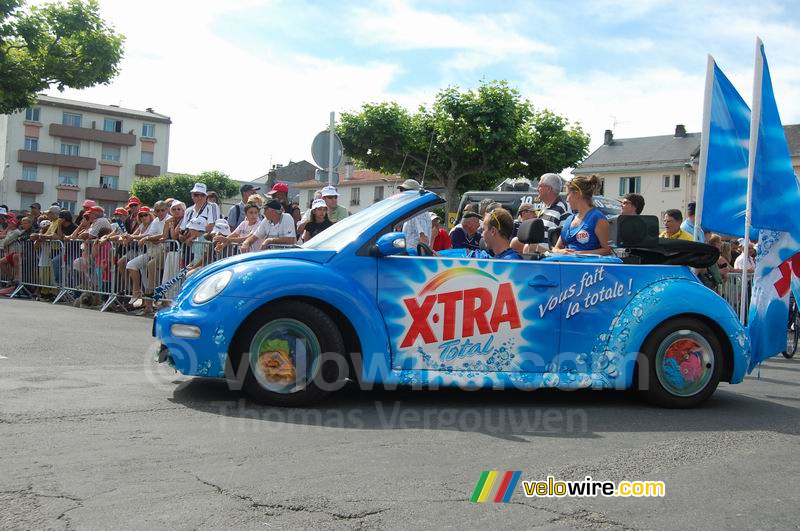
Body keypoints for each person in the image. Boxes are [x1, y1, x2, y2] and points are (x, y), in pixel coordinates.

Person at [553, 175, 611, 255]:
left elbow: (606, 250)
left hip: (588, 266)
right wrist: (561, 251)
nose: (566, 199)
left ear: (577, 194)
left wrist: (579, 254)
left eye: (568, 194)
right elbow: (555, 249)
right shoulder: (569, 219)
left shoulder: (597, 218)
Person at [397, 179, 431, 247]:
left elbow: (424, 239)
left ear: (415, 193)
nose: (402, 193)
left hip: (413, 255)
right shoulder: (412, 211)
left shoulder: (418, 212)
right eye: (401, 190)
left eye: (405, 190)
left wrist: (420, 257)